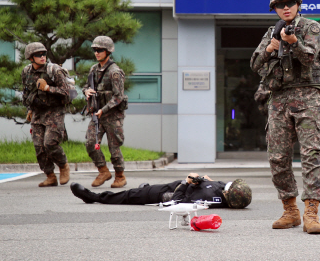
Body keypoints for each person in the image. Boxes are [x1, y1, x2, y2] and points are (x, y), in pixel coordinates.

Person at [250, 0, 320, 234]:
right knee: (278, 156)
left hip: (308, 98)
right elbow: (254, 64)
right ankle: (290, 210)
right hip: (279, 98)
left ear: (298, 5)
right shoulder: (272, 31)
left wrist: (293, 42)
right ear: (274, 8)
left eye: (290, 3)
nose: (285, 8)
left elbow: (310, 57)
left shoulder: (311, 27)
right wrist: (271, 47)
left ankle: (311, 212)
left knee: (311, 154)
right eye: (280, 5)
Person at [21, 42, 72, 187]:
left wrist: (48, 88)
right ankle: (50, 175)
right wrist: (29, 109)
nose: (42, 56)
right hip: (37, 112)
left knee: (49, 143)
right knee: (39, 147)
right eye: (38, 54)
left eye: (44, 53)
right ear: (31, 57)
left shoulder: (54, 70)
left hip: (54, 112)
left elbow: (67, 92)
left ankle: (63, 166)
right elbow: (27, 92)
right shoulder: (26, 72)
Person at [83, 36, 129, 188]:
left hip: (112, 115)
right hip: (97, 114)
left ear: (108, 51)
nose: (96, 53)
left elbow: (118, 96)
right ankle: (103, 171)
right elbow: (86, 86)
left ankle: (120, 176)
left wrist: (104, 109)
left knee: (113, 147)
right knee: (90, 142)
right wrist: (86, 91)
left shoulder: (115, 72)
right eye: (95, 50)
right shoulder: (94, 69)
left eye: (100, 50)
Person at [69, 174, 252, 209]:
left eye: (228, 187)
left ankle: (93, 197)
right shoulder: (223, 190)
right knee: (143, 191)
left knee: (128, 196)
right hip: (172, 185)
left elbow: (178, 202)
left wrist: (187, 182)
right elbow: (216, 184)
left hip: (167, 194)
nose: (225, 185)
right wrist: (205, 179)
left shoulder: (207, 199)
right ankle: (144, 191)